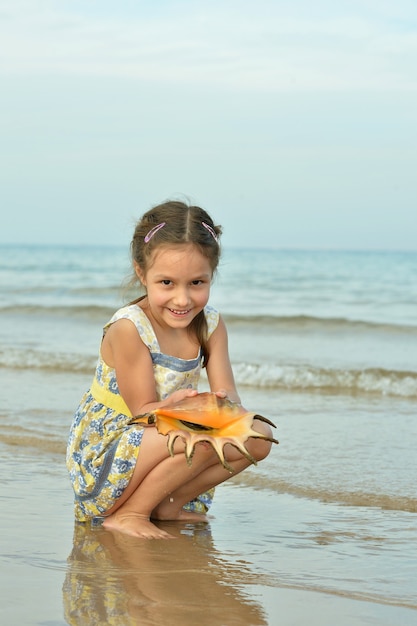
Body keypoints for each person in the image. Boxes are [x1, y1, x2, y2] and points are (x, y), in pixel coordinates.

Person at [66, 200, 273, 539]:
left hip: (165, 434)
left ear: (212, 275)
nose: (182, 299)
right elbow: (142, 411)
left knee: (259, 435)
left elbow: (229, 392)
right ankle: (130, 513)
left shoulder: (211, 326)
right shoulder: (129, 328)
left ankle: (169, 504)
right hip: (112, 448)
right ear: (141, 273)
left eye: (196, 283)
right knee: (202, 435)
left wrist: (224, 405)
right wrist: (179, 409)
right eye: (167, 283)